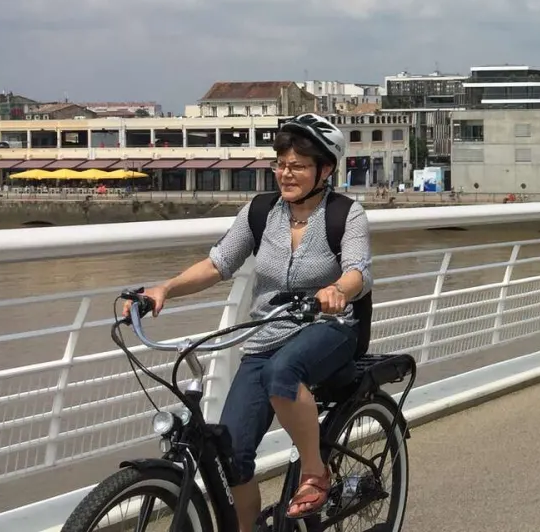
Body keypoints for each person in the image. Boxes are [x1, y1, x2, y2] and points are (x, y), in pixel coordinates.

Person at [140, 114, 371, 529]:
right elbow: (218, 263)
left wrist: (339, 289)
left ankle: (315, 472)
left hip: (329, 329)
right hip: (266, 336)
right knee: (232, 454)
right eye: (281, 163)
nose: (286, 173)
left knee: (286, 372)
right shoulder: (262, 212)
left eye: (298, 165)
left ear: (326, 169)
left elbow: (359, 270)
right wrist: (165, 289)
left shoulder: (345, 214)